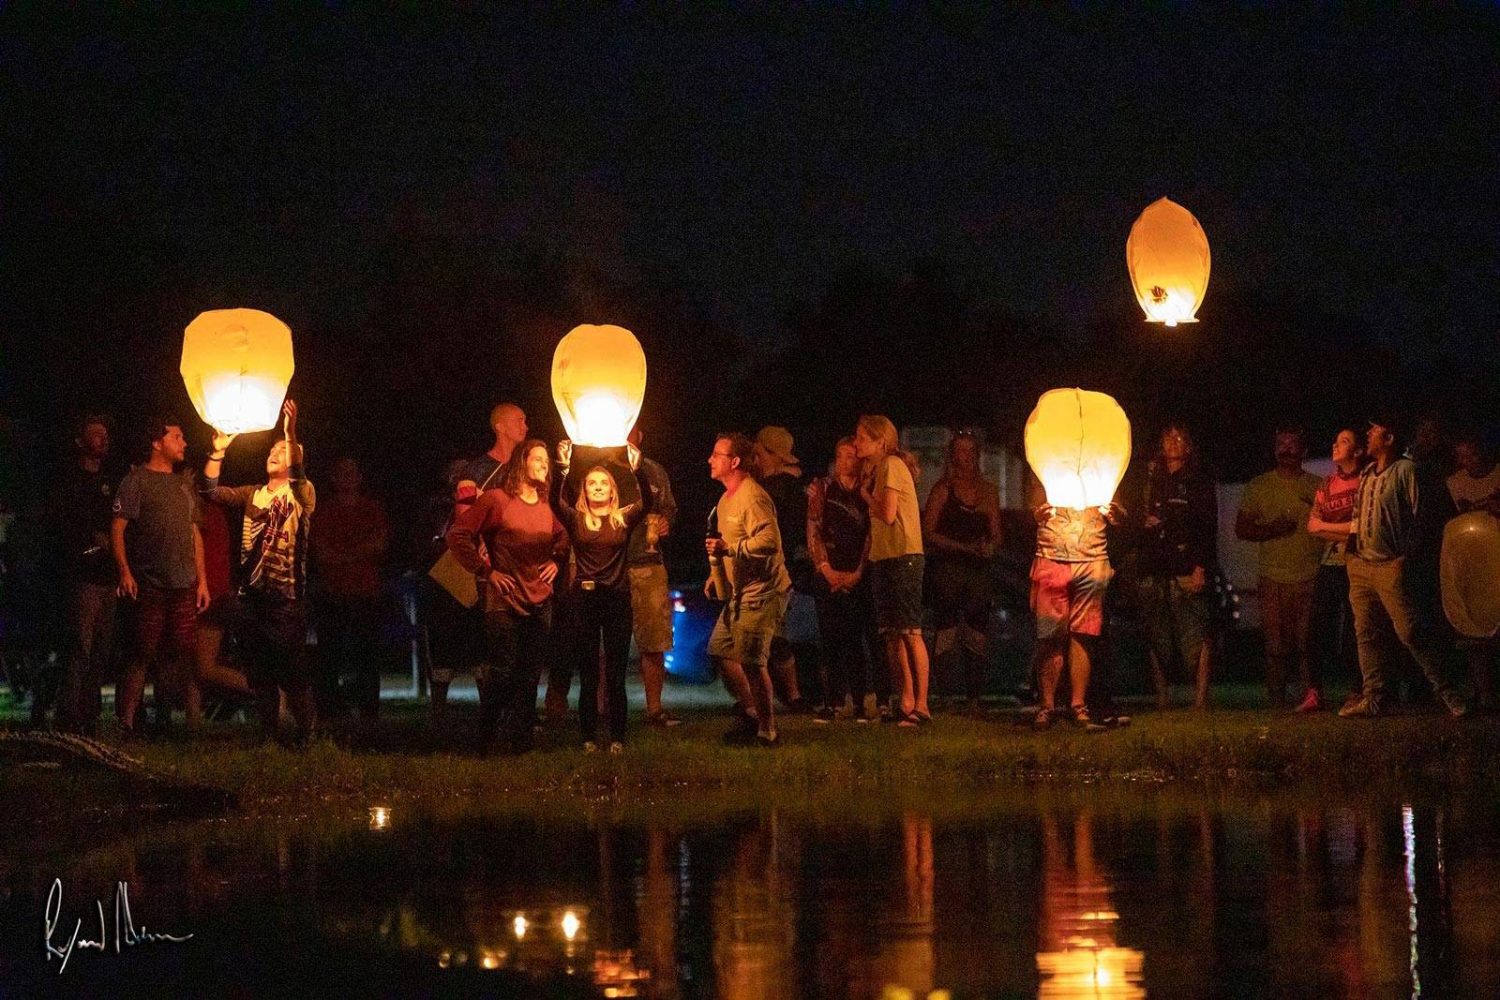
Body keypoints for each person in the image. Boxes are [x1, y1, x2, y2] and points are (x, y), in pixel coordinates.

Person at [201, 399, 318, 742]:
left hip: (286, 600)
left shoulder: (302, 493)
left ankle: (308, 734)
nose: (275, 453)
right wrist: (218, 452)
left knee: (293, 674)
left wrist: (289, 431)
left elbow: (297, 475)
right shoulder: (252, 493)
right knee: (261, 674)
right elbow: (210, 491)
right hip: (253, 600)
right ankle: (269, 736)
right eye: (273, 449)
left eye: (283, 451)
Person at [1340, 414, 1466, 719]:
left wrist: (1404, 558)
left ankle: (1451, 694)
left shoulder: (1405, 470)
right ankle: (1373, 697)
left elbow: (1420, 516)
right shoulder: (1368, 473)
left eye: (1375, 430)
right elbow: (1359, 516)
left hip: (1389, 566)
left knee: (1410, 631)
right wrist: (1352, 551)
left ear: (1390, 439)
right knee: (1366, 632)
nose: (1368, 434)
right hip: (1361, 567)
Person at [447, 440, 567, 753]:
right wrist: (486, 571)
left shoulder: (543, 503)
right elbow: (458, 535)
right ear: (521, 463)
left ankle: (520, 745)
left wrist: (556, 559)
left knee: (529, 676)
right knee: (503, 671)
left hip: (540, 600)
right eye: (538, 458)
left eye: (546, 460)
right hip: (504, 599)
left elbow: (562, 536)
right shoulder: (496, 500)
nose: (544, 464)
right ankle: (484, 738)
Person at [112, 416, 210, 737]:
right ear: (158, 443)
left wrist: (203, 580)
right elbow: (119, 527)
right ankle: (127, 722)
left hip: (184, 584)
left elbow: (195, 533)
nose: (184, 442)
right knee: (142, 651)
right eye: (177, 437)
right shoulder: (136, 480)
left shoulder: (184, 485)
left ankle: (180, 722)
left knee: (182, 652)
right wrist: (125, 570)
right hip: (151, 583)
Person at [433, 403, 527, 722]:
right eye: (520, 421)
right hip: (491, 569)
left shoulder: (527, 468)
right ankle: (492, 714)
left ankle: (519, 711)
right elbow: (464, 523)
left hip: (522, 566)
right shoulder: (473, 472)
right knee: (493, 641)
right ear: (500, 426)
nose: (526, 426)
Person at [706, 432, 791, 746]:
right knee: (722, 650)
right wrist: (717, 573)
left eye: (717, 454)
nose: (710, 460)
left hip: (762, 592)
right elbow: (728, 547)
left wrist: (730, 548)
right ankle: (753, 713)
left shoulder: (753, 496)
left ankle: (768, 731)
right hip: (738, 592)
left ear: (735, 461)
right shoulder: (726, 497)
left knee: (753, 663)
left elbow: (770, 542)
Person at [556, 448, 643, 752]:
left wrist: (635, 469)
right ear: (584, 489)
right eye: (591, 483)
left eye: (603, 483)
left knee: (616, 673)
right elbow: (559, 502)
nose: (597, 487)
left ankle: (618, 737)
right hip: (585, 600)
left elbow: (645, 503)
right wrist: (566, 468)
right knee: (589, 672)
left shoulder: (622, 518)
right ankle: (588, 737)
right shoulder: (577, 518)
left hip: (616, 600)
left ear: (612, 490)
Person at [1235, 428, 1325, 708]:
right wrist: (1272, 528)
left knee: (1305, 643)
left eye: (1291, 444)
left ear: (1304, 451)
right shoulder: (1259, 486)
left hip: (1310, 574)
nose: (1285, 449)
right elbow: (1242, 528)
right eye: (1280, 444)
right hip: (1272, 576)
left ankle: (1310, 699)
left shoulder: (1318, 486)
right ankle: (1277, 703)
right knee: (1275, 645)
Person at [1027, 471, 1122, 729]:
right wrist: (1039, 513)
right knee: (1049, 636)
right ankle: (1046, 706)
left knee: (1084, 634)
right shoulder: (1049, 460)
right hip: (1051, 557)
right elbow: (1035, 504)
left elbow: (1119, 511)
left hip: (1092, 559)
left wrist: (1114, 514)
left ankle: (1078, 705)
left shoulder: (1100, 461)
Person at [854, 415, 930, 727]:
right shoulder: (879, 470)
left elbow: (887, 513)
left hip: (903, 555)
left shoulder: (890, 466)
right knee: (891, 634)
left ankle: (921, 704)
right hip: (885, 557)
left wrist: (865, 496)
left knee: (910, 630)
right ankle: (906, 700)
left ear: (880, 441)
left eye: (861, 437)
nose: (856, 442)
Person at [1136, 423, 1218, 711]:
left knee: (1196, 631)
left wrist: (1201, 567)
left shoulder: (1197, 480)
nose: (1172, 442)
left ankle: (1200, 699)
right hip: (1155, 565)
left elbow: (1208, 528)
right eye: (1167, 437)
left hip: (1186, 565)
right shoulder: (1151, 478)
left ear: (1188, 446)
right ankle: (1162, 698)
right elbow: (1135, 516)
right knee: (1156, 633)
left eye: (1179, 438)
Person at [922, 430, 1001, 714]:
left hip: (978, 572)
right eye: (960, 452)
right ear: (953, 455)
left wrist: (988, 547)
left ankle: (974, 698)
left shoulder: (988, 491)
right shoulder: (943, 489)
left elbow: (996, 533)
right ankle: (944, 696)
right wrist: (962, 547)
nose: (965, 458)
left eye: (970, 452)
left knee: (977, 633)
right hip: (949, 570)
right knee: (947, 631)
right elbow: (928, 533)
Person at [806, 436, 882, 722]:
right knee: (830, 640)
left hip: (857, 572)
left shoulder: (865, 492)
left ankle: (862, 701)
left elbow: (871, 533)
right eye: (840, 456)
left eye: (851, 456)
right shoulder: (824, 489)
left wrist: (858, 572)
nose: (844, 462)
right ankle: (833, 701)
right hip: (829, 571)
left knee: (855, 639)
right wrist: (825, 569)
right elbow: (814, 528)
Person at [311, 457, 390, 720]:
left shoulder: (371, 509)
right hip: (332, 592)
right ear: (334, 478)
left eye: (352, 472)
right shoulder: (324, 511)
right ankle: (330, 709)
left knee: (367, 655)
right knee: (329, 655)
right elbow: (321, 553)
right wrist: (357, 554)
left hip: (365, 592)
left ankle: (369, 709)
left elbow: (379, 546)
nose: (348, 477)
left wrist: (342, 555)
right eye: (342, 472)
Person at [55, 415, 119, 734]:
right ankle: (68, 713)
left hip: (109, 576)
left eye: (105, 434)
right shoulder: (70, 481)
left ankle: (89, 713)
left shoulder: (110, 481)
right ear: (80, 441)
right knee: (80, 645)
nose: (103, 439)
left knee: (102, 648)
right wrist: (90, 540)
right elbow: (65, 527)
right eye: (95, 434)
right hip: (83, 575)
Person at [1304, 428, 1366, 712]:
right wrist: (1346, 532)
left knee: (1357, 630)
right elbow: (1311, 526)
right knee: (1317, 628)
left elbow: (1364, 527)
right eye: (1335, 439)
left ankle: (1358, 690)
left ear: (1358, 451)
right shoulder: (1327, 484)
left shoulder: (1366, 482)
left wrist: (1331, 528)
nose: (1335, 444)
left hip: (1358, 565)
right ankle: (1315, 691)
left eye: (1344, 441)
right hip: (1329, 564)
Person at [752, 426, 812, 712]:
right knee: (775, 633)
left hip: (773, 569)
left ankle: (789, 695)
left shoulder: (775, 491)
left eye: (761, 452)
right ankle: (790, 694)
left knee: (773, 635)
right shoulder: (793, 487)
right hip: (782, 567)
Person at [625, 426, 680, 727]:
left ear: (639, 435)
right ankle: (600, 709)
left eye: (629, 428)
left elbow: (669, 509)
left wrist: (666, 524)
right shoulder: (599, 468)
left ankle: (654, 709)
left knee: (653, 639)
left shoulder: (654, 471)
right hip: (611, 563)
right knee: (604, 643)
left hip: (648, 562)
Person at [1446, 427, 1498, 709]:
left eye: (1473, 454)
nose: (1468, 462)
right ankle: (1484, 693)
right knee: (1473, 628)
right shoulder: (1455, 483)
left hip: (1496, 559)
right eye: (1462, 457)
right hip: (1472, 563)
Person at [1447, 429, 1500, 515]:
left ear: (1482, 451)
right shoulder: (1455, 482)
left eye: (1473, 454)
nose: (1470, 461)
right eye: (1464, 457)